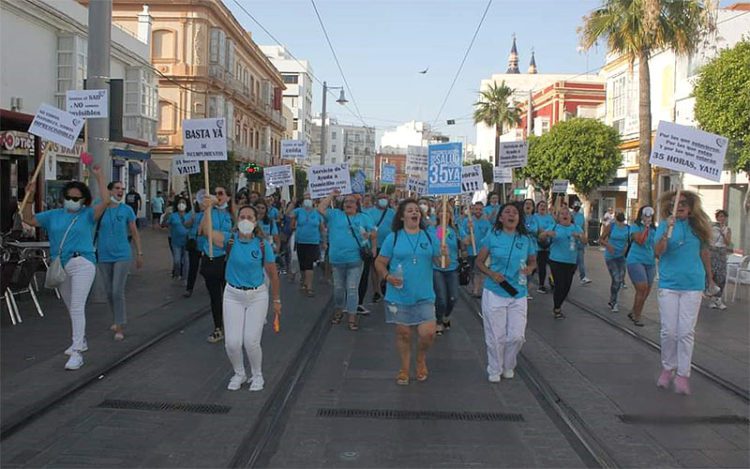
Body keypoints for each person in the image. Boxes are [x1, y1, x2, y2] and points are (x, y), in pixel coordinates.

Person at [21, 167, 108, 370]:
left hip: (83, 263)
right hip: (61, 264)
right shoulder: (53, 215)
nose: (72, 201)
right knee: (71, 306)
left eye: (77, 198)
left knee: (77, 306)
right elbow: (28, 218)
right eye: (69, 197)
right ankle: (81, 340)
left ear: (84, 200)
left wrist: (100, 177)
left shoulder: (87, 214)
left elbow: (105, 201)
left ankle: (77, 350)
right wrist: (30, 195)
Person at [203, 205, 281, 392]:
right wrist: (207, 209)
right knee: (232, 342)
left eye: (250, 217)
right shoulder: (229, 240)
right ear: (237, 221)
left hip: (257, 296)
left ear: (255, 222)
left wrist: (277, 301)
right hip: (232, 295)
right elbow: (207, 231)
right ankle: (239, 373)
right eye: (242, 217)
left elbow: (273, 274)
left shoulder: (262, 245)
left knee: (250, 340)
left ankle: (257, 374)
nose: (246, 220)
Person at [375, 199, 447, 385]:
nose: (414, 213)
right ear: (402, 216)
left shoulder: (430, 235)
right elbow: (380, 262)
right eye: (410, 211)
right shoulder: (394, 237)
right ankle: (405, 368)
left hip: (424, 294)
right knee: (404, 334)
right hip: (399, 295)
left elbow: (439, 263)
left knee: (428, 333)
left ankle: (420, 358)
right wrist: (387, 276)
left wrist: (443, 255)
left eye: (416, 210)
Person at [654, 190, 715, 395]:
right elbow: (658, 251)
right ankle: (667, 367)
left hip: (693, 285)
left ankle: (682, 374)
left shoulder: (698, 228)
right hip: (669, 284)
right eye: (674, 203)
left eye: (682, 204)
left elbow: (704, 253)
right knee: (669, 330)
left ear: (690, 209)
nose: (678, 207)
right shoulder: (664, 225)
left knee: (686, 332)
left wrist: (710, 278)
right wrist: (666, 233)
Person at [474, 203, 537, 382]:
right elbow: (479, 262)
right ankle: (495, 368)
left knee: (517, 336)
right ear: (500, 218)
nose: (511, 215)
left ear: (519, 218)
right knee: (496, 335)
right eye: (507, 212)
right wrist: (492, 274)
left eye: (515, 213)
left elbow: (533, 261)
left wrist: (530, 269)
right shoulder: (492, 237)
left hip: (518, 291)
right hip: (495, 291)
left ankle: (509, 364)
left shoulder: (526, 240)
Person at [319, 190, 376, 330]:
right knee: (338, 289)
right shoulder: (335, 215)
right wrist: (331, 195)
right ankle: (339, 310)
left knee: (352, 289)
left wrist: (369, 238)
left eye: (351, 202)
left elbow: (374, 232)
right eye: (346, 202)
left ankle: (352, 317)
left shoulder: (364, 217)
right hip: (337, 260)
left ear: (357, 205)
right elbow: (321, 208)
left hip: (355, 260)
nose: (348, 204)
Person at [96, 181, 144, 341]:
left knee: (117, 290)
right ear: (108, 191)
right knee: (109, 291)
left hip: (122, 254)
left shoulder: (127, 210)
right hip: (103, 254)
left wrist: (139, 253)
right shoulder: (101, 208)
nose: (120, 191)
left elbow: (134, 232)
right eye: (117, 188)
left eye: (122, 189)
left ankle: (120, 324)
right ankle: (116, 318)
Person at [198, 187, 234, 343]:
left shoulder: (231, 215)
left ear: (228, 197)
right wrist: (208, 208)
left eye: (221, 193)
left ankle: (233, 326)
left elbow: (230, 236)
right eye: (215, 193)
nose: (217, 196)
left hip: (227, 260)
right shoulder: (209, 212)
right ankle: (218, 327)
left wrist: (216, 236)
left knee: (230, 297)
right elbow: (203, 231)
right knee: (215, 297)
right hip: (211, 259)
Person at [539, 207, 586, 319]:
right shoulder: (555, 227)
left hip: (571, 261)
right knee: (560, 285)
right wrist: (546, 234)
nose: (565, 216)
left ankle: (558, 304)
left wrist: (580, 236)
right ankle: (557, 308)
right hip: (556, 260)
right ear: (559, 218)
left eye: (567, 214)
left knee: (567, 286)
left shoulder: (576, 227)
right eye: (562, 214)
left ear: (571, 217)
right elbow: (541, 238)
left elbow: (585, 241)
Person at [429, 199, 460, 335]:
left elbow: (466, 241)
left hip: (452, 268)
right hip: (437, 268)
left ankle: (447, 316)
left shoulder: (455, 229)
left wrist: (470, 232)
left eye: (447, 212)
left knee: (453, 297)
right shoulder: (433, 230)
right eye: (441, 212)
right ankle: (439, 321)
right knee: (441, 298)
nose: (444, 214)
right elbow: (432, 246)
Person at [362, 192, 395, 306]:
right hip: (375, 245)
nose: (383, 200)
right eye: (381, 198)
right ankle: (376, 291)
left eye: (385, 198)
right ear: (376, 200)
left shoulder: (392, 213)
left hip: (390, 246)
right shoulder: (370, 213)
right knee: (375, 269)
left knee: (390, 268)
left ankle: (387, 287)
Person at [626, 206, 657, 327]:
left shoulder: (655, 229)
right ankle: (637, 316)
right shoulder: (635, 226)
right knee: (642, 287)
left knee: (647, 291)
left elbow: (655, 245)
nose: (648, 217)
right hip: (635, 260)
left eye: (650, 215)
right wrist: (646, 227)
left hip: (649, 261)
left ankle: (634, 311)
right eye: (646, 214)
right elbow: (640, 240)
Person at [291, 194, 326, 296]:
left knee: (309, 264)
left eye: (309, 199)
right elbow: (288, 215)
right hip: (300, 241)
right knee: (302, 264)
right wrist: (292, 203)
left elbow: (322, 228)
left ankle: (309, 286)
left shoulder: (317, 213)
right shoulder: (298, 211)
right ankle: (304, 282)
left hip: (313, 242)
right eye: (306, 199)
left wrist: (324, 242)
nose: (308, 201)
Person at [599, 209, 629, 312]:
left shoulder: (628, 228)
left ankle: (612, 299)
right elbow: (601, 239)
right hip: (610, 257)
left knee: (619, 280)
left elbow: (629, 241)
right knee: (616, 278)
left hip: (621, 257)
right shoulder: (611, 227)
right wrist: (608, 245)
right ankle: (614, 302)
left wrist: (626, 248)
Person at [461, 202, 492, 298]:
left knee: (478, 270)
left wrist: (484, 242)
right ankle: (473, 286)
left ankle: (476, 289)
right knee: (471, 270)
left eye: (480, 209)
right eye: (476, 209)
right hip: (470, 250)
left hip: (481, 251)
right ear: (473, 210)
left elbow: (489, 234)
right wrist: (468, 233)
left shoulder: (486, 222)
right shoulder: (467, 221)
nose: (478, 211)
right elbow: (462, 233)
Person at [708, 210, 731, 310]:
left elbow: (727, 243)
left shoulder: (727, 229)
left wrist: (722, 233)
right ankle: (713, 299)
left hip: (721, 252)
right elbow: (708, 239)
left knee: (721, 276)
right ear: (717, 218)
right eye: (720, 217)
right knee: (713, 274)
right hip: (713, 251)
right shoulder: (712, 228)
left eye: (723, 217)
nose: (722, 218)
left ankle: (719, 298)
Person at [164, 196, 191, 280]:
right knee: (177, 260)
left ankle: (184, 276)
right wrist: (166, 217)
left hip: (187, 241)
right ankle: (177, 273)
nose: (181, 205)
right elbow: (165, 224)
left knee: (186, 260)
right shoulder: (173, 215)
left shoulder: (189, 215)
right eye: (180, 203)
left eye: (183, 203)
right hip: (175, 242)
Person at [534, 201, 555, 293]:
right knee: (541, 267)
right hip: (538, 246)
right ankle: (541, 285)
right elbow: (535, 228)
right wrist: (542, 232)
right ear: (537, 207)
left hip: (549, 246)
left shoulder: (550, 217)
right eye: (541, 206)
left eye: (544, 206)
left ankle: (553, 281)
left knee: (553, 266)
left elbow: (553, 227)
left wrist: (546, 232)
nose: (543, 207)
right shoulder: (534, 217)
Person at [521, 199, 539, 298]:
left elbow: (534, 229)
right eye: (526, 204)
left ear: (533, 207)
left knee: (531, 268)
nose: (528, 206)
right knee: (521, 267)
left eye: (530, 204)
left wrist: (526, 229)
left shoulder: (535, 218)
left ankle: (527, 289)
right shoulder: (519, 217)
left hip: (532, 246)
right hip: (521, 245)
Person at [183, 200, 201, 298]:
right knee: (193, 267)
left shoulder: (208, 213)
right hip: (194, 243)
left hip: (205, 244)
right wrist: (191, 220)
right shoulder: (192, 213)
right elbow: (186, 225)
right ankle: (189, 288)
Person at [572, 201, 592, 285]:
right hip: (572, 241)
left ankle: (583, 277)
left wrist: (584, 238)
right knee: (572, 261)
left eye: (578, 206)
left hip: (580, 241)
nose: (577, 207)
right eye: (575, 206)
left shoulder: (581, 216)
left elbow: (584, 227)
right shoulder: (570, 215)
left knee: (580, 261)